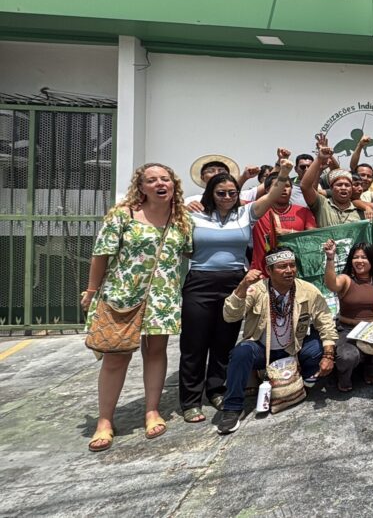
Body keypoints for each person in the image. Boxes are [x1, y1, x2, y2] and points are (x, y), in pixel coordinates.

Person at [81, 163, 193, 452]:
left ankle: (152, 410)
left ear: (174, 185)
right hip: (122, 294)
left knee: (155, 352)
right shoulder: (123, 216)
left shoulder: (182, 220)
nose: (160, 183)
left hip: (162, 297)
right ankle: (105, 420)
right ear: (141, 187)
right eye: (152, 180)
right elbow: (101, 254)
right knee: (116, 357)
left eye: (166, 179)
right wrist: (92, 291)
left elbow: (186, 255)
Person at [179, 160, 292, 424]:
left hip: (235, 283)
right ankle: (190, 400)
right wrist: (184, 208)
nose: (227, 197)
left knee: (224, 340)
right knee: (194, 343)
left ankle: (217, 390)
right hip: (200, 282)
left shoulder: (245, 213)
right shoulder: (193, 214)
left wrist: (285, 173)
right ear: (210, 193)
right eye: (221, 193)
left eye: (232, 193)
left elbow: (274, 193)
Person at [215, 248, 337, 434]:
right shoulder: (256, 289)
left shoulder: (308, 290)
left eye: (292, 265)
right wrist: (242, 287)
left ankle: (299, 382)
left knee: (319, 347)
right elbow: (229, 316)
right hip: (262, 349)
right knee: (241, 352)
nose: (289, 270)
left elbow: (326, 323)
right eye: (282, 267)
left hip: (292, 349)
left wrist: (329, 354)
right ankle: (232, 408)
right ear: (269, 270)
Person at [323, 240, 373, 391]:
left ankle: (370, 372)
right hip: (347, 330)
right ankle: (344, 378)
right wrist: (330, 258)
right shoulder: (346, 279)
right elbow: (331, 284)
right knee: (348, 356)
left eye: (364, 257)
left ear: (372, 260)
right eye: (356, 257)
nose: (360, 261)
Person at [249, 171, 317, 273]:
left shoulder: (303, 211)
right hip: (261, 273)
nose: (284, 189)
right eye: (278, 186)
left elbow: (315, 239)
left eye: (287, 186)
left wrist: (290, 233)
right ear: (267, 190)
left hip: (296, 273)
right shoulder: (256, 211)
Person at [302, 142, 367, 227]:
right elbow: (305, 186)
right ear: (331, 188)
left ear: (351, 189)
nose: (343, 188)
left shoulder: (361, 210)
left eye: (347, 185)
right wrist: (319, 158)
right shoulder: (322, 204)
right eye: (339, 185)